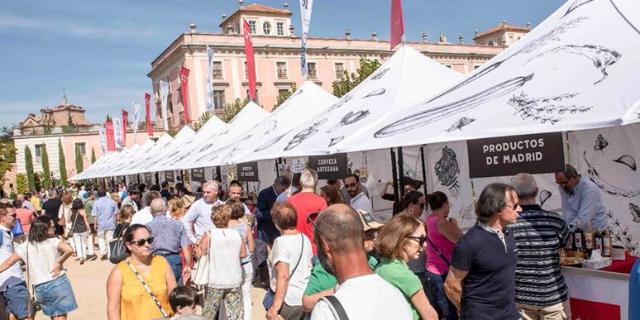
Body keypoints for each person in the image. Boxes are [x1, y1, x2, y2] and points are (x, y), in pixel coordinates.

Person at [309, 204, 412, 319]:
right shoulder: (396, 295)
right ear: (362, 237)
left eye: (317, 243)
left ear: (325, 245)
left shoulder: (327, 310)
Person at [444, 183, 522, 320]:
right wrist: (465, 310)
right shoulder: (469, 243)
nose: (520, 209)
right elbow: (451, 285)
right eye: (515, 206)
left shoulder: (509, 233)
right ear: (498, 208)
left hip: (510, 314)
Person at [511, 173, 570, 319]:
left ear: (514, 196)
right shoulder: (555, 220)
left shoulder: (507, 226)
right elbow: (567, 244)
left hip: (522, 296)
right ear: (537, 191)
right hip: (553, 296)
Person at [302, 208, 383, 312]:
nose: (374, 238)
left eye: (375, 232)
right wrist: (339, 290)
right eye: (369, 234)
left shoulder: (373, 258)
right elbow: (307, 302)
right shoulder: (328, 265)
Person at [0, 215, 77, 320]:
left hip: (40, 287)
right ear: (44, 228)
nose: (54, 229)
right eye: (52, 227)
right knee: (61, 316)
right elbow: (69, 249)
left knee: (54, 315)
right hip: (58, 282)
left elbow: (8, 262)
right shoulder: (53, 241)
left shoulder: (25, 246)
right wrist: (59, 263)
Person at [375, 214, 439, 320]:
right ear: (401, 239)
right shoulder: (405, 276)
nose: (425, 245)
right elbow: (431, 316)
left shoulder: (380, 268)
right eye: (421, 239)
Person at [106, 224, 176, 320]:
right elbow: (113, 308)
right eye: (141, 242)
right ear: (129, 246)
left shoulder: (162, 262)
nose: (147, 245)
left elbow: (174, 296)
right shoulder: (118, 272)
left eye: (149, 240)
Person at [198, 204, 246, 320]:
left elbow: (201, 253)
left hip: (215, 279)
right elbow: (243, 254)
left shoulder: (209, 234)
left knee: (209, 313)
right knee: (235, 314)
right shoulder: (236, 234)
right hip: (234, 278)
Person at [266, 202, 313, 320]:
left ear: (277, 224)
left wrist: (275, 307)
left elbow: (283, 275)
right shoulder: (305, 238)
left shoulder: (281, 242)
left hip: (289, 300)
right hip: (304, 296)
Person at [424, 191, 462, 320]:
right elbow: (462, 241)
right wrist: (455, 225)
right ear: (445, 204)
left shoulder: (429, 219)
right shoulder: (442, 222)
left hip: (432, 270)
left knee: (439, 311)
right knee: (449, 313)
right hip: (443, 273)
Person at [147, 198, 191, 285]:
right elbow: (185, 248)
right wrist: (188, 265)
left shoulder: (146, 227)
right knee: (175, 292)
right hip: (173, 260)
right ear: (166, 208)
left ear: (151, 210)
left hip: (154, 260)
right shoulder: (178, 225)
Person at [0, 204, 33, 320]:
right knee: (28, 316)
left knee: (13, 316)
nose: (16, 217)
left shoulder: (8, 232)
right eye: (13, 215)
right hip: (12, 284)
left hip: (10, 283)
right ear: (2, 217)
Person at [555, 164, 607, 230]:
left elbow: (584, 218)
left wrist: (566, 230)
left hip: (595, 233)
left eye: (564, 183)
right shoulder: (563, 187)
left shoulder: (590, 189)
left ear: (573, 177)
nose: (562, 186)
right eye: (558, 183)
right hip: (576, 230)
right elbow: (566, 212)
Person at [227, 199, 256, 320]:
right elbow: (252, 248)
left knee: (229, 296)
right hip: (246, 264)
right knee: (246, 295)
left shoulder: (224, 227)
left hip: (229, 265)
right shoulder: (246, 226)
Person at [287, 169, 327, 255]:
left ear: (301, 182)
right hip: (314, 249)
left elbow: (285, 225)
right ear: (315, 183)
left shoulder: (290, 201)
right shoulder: (321, 201)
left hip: (295, 249)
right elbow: (324, 227)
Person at [256, 176, 291, 244]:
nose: (285, 192)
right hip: (267, 231)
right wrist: (276, 213)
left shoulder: (287, 194)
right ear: (277, 185)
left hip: (281, 229)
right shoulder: (264, 193)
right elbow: (259, 213)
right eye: (283, 189)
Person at [92, 188, 119, 260]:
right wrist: (117, 221)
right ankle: (110, 254)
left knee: (101, 238)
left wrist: (95, 224)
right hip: (111, 224)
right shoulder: (112, 202)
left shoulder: (96, 203)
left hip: (100, 224)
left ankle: (103, 251)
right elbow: (116, 214)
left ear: (98, 194)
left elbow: (95, 215)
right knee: (110, 239)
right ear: (105, 193)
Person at [69, 198, 93, 264]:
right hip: (83, 229)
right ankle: (84, 256)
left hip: (75, 230)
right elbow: (85, 221)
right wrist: (88, 228)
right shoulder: (82, 211)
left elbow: (68, 220)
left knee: (77, 243)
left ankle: (80, 256)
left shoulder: (71, 211)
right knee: (83, 243)